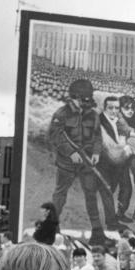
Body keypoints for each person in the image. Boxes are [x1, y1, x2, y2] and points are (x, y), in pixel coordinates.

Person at [48, 78, 109, 244]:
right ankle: (52, 227)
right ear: (74, 98)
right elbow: (54, 136)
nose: (86, 102)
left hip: (87, 162)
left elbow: (97, 136)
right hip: (67, 163)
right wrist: (70, 152)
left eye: (88, 99)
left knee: (91, 194)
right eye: (83, 99)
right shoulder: (61, 114)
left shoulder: (93, 114)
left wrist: (96, 152)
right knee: (60, 193)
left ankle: (97, 232)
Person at [96, 95, 134, 227]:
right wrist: (125, 149)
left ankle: (119, 214)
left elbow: (126, 134)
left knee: (126, 188)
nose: (114, 110)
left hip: (120, 161)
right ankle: (111, 223)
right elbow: (106, 144)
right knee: (107, 191)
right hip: (106, 162)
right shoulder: (100, 121)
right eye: (110, 108)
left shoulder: (118, 120)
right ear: (104, 108)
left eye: (116, 108)